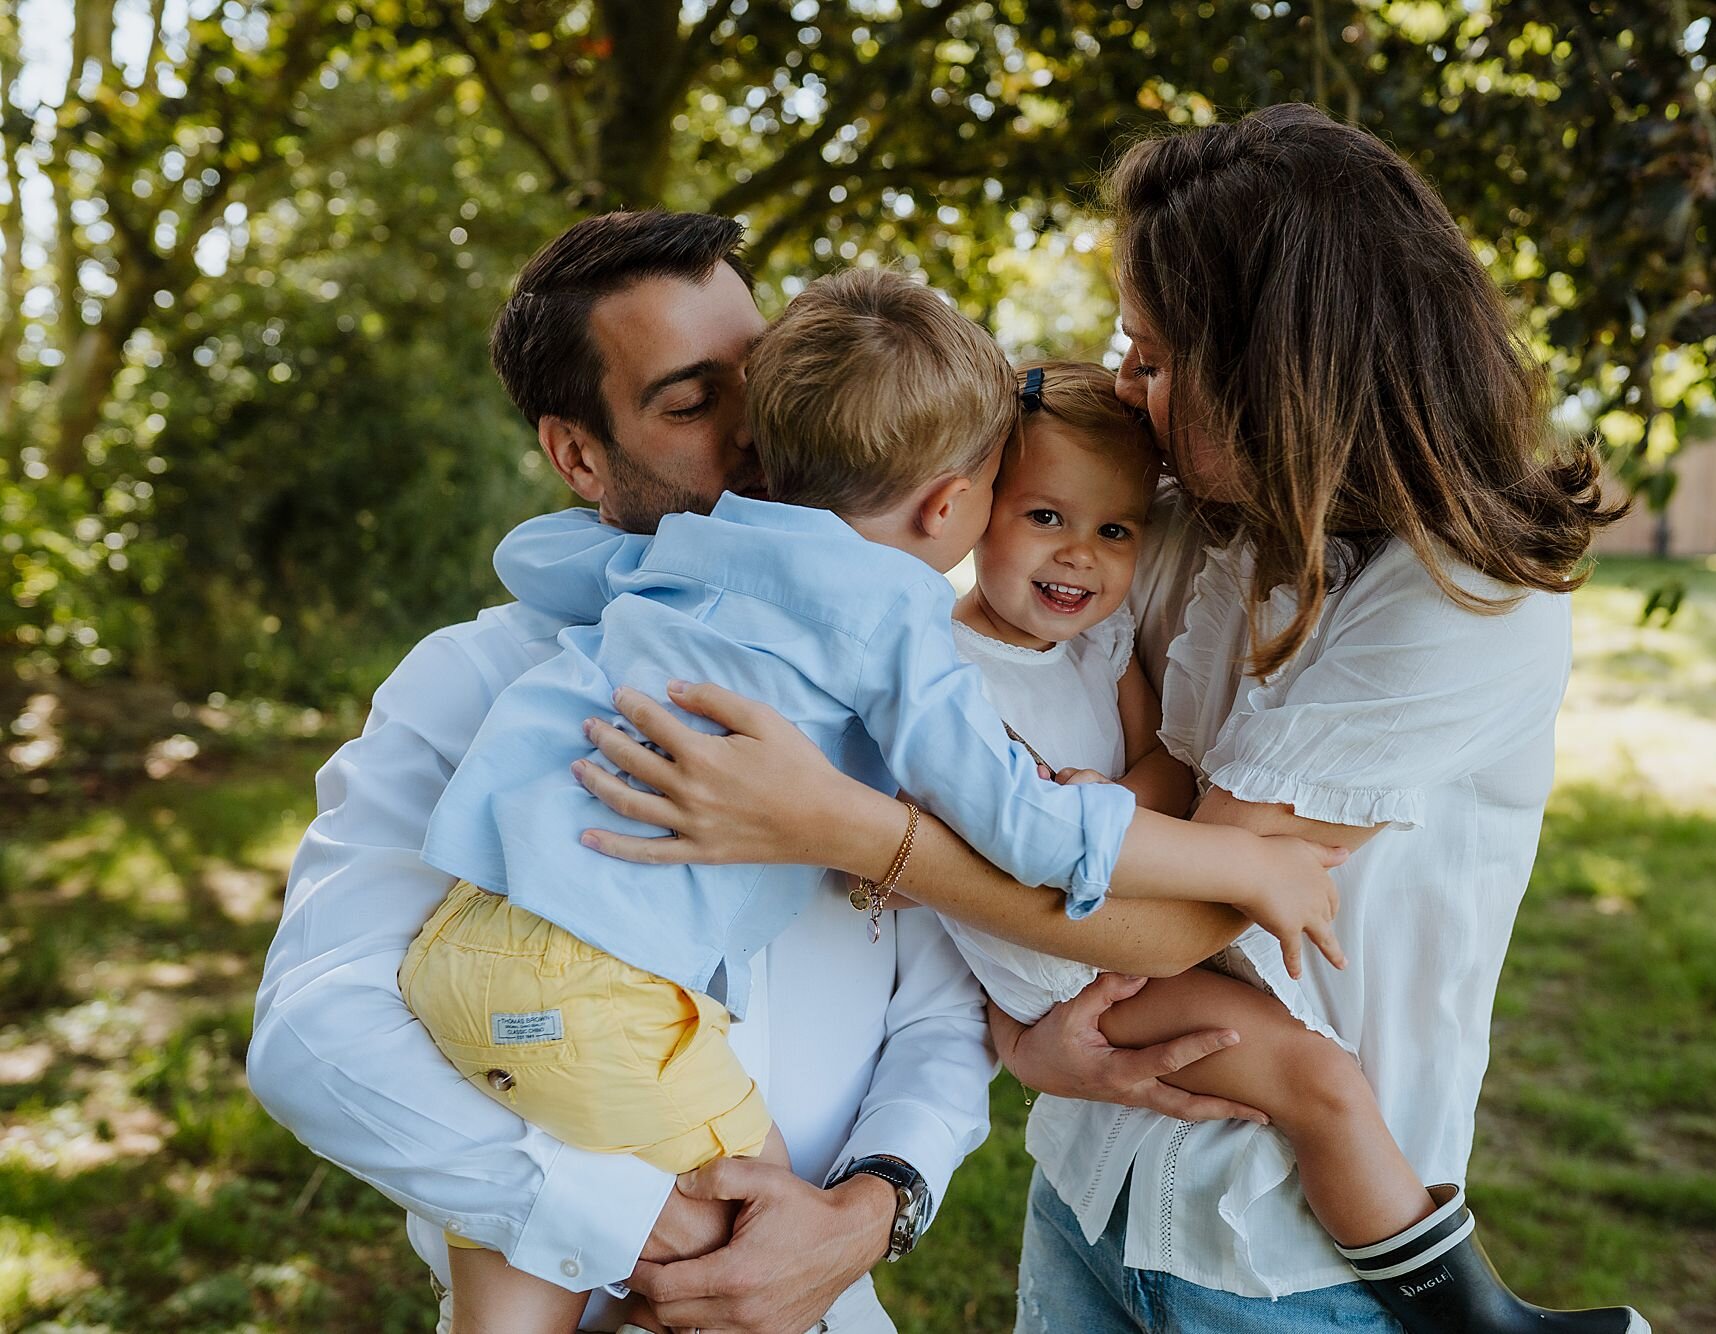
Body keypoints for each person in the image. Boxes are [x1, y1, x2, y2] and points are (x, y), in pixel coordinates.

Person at [560, 106, 1645, 1331]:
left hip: (1280, 1247)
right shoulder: (1181, 518)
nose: (1127, 388)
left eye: (1153, 357)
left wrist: (851, 829)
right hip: (1093, 1177)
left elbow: (1176, 919)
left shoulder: (1457, 599)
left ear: (1278, 369)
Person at [392, 268, 1346, 1333]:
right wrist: (1244, 863)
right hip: (598, 993)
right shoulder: (894, 624)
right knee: (755, 1249)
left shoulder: (681, 547)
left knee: (524, 1284)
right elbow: (1025, 824)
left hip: (465, 940)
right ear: (950, 505)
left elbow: (535, 552)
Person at [247, 212, 1001, 1334]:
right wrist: (642, 1222)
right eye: (696, 403)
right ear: (579, 454)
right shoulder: (476, 681)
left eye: (774, 380)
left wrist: (870, 1207)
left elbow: (942, 1010)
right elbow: (316, 1035)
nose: (765, 437)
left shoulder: (900, 679)